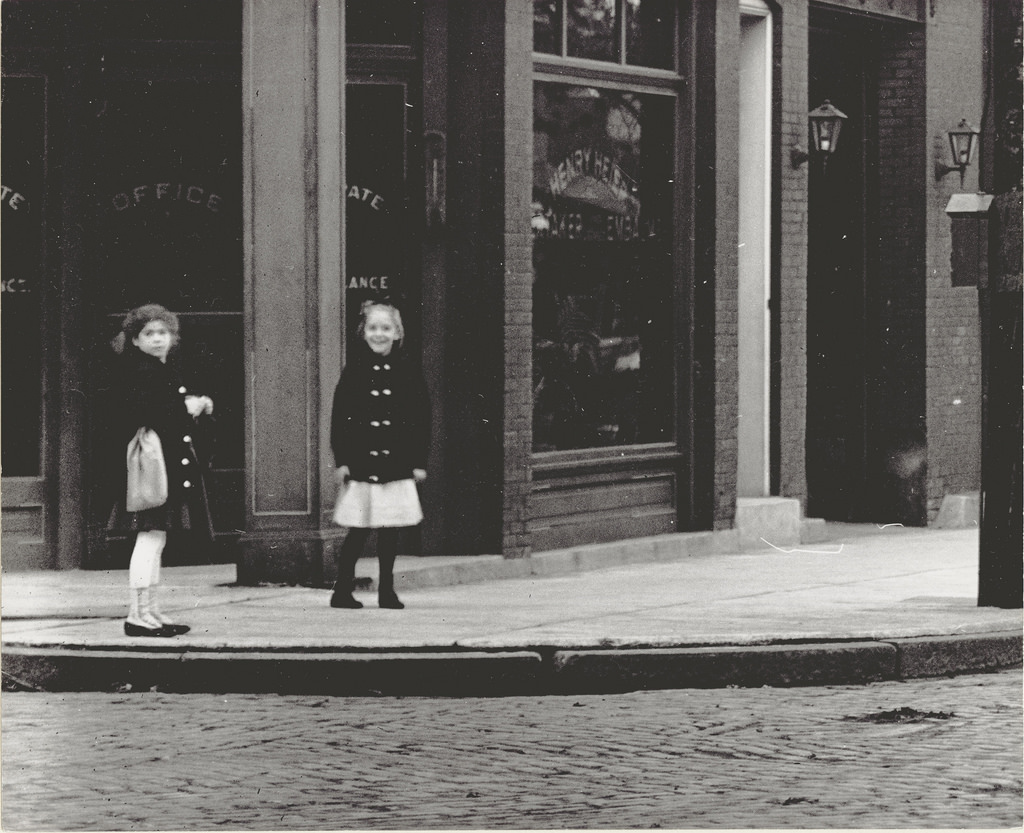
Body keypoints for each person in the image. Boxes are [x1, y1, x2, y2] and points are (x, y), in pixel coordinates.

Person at [107, 304, 215, 636]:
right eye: (149, 334)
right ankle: (139, 616)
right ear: (136, 341)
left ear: (173, 337)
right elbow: (154, 414)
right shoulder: (144, 371)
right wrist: (191, 407)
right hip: (155, 474)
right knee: (150, 540)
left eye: (163, 332)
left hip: (162, 472)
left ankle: (149, 612)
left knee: (155, 540)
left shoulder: (156, 369)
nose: (158, 339)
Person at [330, 301, 430, 610]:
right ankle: (342, 590)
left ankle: (387, 590)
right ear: (364, 332)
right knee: (358, 531)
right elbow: (340, 418)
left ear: (397, 333)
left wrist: (418, 462)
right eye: (373, 328)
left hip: (396, 463)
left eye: (386, 328)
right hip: (362, 464)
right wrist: (343, 461)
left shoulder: (409, 368)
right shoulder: (354, 370)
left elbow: (421, 418)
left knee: (390, 531)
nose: (379, 334)